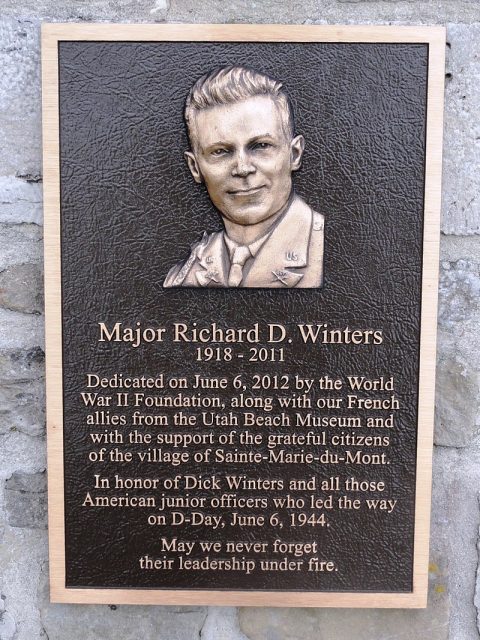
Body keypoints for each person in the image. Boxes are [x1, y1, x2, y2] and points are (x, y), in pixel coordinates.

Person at [164, 65, 324, 289]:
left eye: (260, 146)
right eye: (220, 151)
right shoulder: (183, 276)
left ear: (294, 154)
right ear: (195, 167)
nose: (242, 168)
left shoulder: (338, 253)